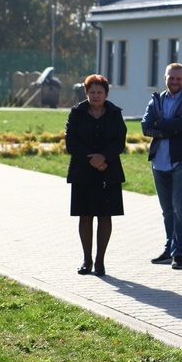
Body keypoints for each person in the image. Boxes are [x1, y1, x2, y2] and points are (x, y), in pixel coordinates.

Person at [141, 63, 182, 270]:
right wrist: (168, 129)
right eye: (171, 78)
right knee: (167, 210)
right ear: (165, 78)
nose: (174, 81)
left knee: (180, 210)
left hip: (180, 161)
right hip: (159, 162)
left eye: (178, 78)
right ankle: (169, 249)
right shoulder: (156, 99)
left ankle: (179, 253)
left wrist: (160, 124)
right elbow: (145, 127)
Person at [65, 74, 127, 277]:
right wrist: (91, 160)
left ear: (106, 94)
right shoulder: (76, 113)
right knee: (85, 215)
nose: (96, 96)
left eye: (99, 92)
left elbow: (120, 141)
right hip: (82, 172)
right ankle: (87, 260)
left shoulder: (115, 113)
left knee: (105, 215)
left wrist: (103, 158)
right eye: (92, 92)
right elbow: (71, 142)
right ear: (86, 93)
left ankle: (100, 261)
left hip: (109, 172)